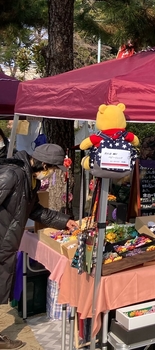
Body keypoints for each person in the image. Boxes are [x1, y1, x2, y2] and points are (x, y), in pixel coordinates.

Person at [0, 144, 77, 350]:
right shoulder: (12, 174)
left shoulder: (29, 180)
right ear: (44, 164)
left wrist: (64, 221)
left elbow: (36, 211)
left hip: (6, 243)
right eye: (52, 168)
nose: (51, 173)